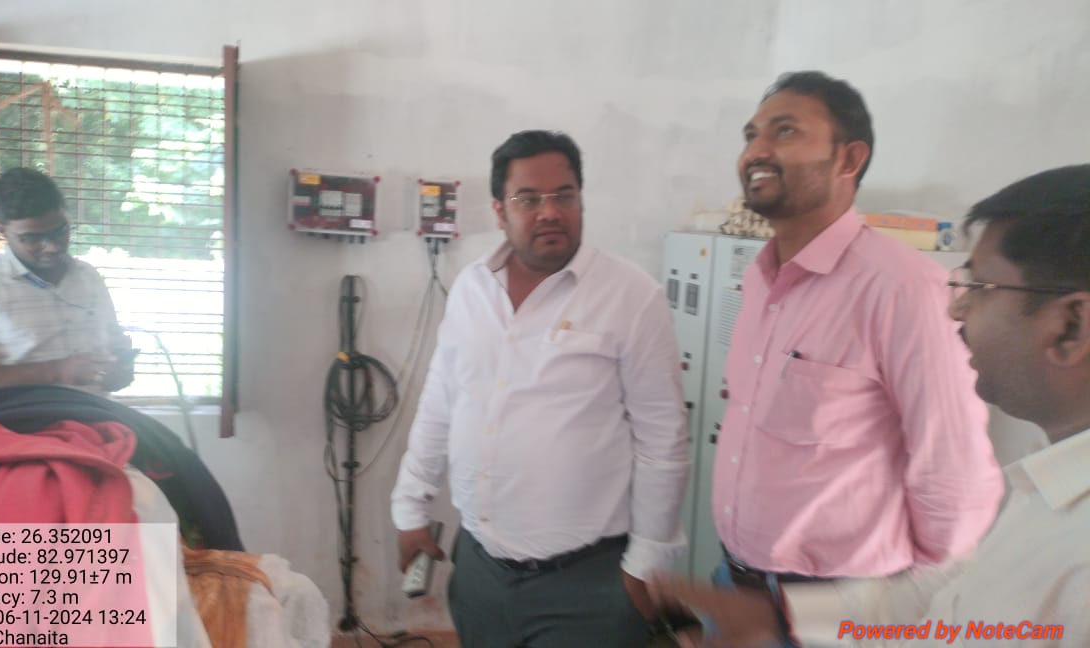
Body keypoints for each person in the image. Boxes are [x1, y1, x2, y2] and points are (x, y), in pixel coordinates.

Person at [650, 163, 1090, 647]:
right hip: (774, 591)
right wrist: (779, 618)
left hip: (837, 580)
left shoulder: (899, 285)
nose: (956, 308)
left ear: (1070, 326)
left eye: (981, 288)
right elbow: (953, 596)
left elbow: (949, 477)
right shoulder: (1045, 488)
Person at [709, 72, 1003, 602]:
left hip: (838, 602)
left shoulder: (903, 288)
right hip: (736, 581)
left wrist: (902, 607)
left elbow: (954, 470)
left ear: (849, 159)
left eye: (784, 131)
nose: (756, 150)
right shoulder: (759, 279)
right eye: (750, 135)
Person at [391, 130, 690, 647]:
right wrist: (410, 508)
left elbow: (663, 438)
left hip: (588, 582)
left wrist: (646, 562)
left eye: (564, 196)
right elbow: (440, 402)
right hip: (480, 569)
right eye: (528, 199)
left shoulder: (631, 296)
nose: (550, 212)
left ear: (580, 200)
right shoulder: (471, 289)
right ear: (499, 211)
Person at [0, 167, 134, 399]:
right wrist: (58, 372)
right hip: (16, 418)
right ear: (2, 230)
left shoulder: (88, 277)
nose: (52, 247)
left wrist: (119, 370)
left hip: (94, 414)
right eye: (32, 238)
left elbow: (113, 343)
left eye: (60, 231)